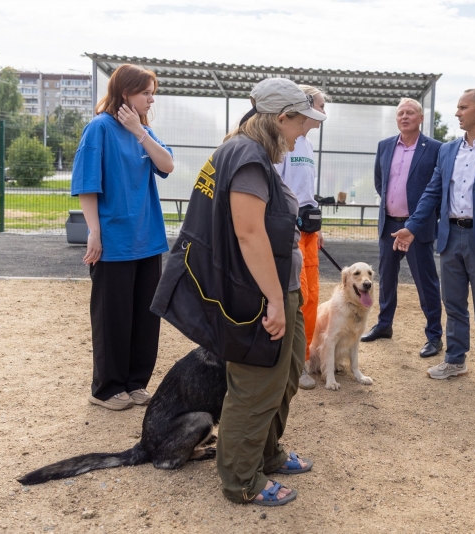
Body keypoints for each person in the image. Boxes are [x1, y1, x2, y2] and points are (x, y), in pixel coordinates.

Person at [153, 78, 325, 506]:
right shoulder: (248, 157)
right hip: (257, 295)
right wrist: (272, 300)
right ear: (280, 118)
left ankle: (266, 454)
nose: (305, 131)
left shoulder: (245, 151)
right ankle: (241, 481)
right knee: (255, 388)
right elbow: (248, 234)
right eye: (302, 122)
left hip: (275, 285)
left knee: (283, 378)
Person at [392, 89, 475, 392]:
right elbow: (432, 193)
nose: (457, 113)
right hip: (450, 236)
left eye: (462, 107)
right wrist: (412, 227)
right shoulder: (448, 150)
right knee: (452, 304)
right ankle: (455, 359)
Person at [71, 64, 174, 411]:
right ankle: (105, 388)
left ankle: (135, 383)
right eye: (145, 91)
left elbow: (168, 165)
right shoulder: (98, 129)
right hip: (113, 240)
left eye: (151, 91)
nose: (151, 97)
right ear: (125, 92)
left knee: (145, 316)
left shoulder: (142, 130)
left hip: (148, 238)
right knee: (112, 316)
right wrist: (94, 233)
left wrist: (140, 131)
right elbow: (87, 185)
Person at [361, 98, 443, 358]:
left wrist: (416, 221)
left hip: (416, 229)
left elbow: (438, 189)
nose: (404, 117)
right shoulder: (385, 146)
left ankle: (434, 336)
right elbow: (379, 182)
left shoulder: (435, 149)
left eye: (410, 113)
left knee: (425, 282)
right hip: (389, 226)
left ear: (420, 119)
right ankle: (384, 326)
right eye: (400, 113)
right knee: (386, 279)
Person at [274, 85, 329, 390]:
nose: (324, 112)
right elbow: (279, 186)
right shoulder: (286, 143)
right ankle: (293, 362)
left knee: (313, 295)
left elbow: (307, 189)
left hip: (309, 228)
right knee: (298, 295)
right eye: (321, 105)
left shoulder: (306, 145)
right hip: (289, 227)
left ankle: (305, 358)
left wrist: (316, 225)